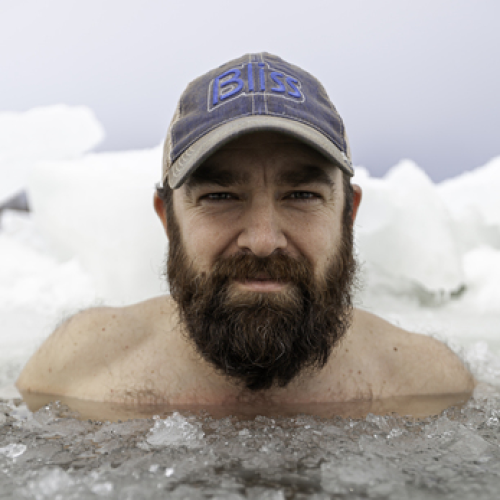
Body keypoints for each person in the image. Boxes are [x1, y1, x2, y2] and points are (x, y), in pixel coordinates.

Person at [16, 53, 475, 414]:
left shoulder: (433, 386)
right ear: (168, 220)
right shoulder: (73, 374)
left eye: (301, 195)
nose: (263, 240)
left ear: (348, 214)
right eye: (219, 196)